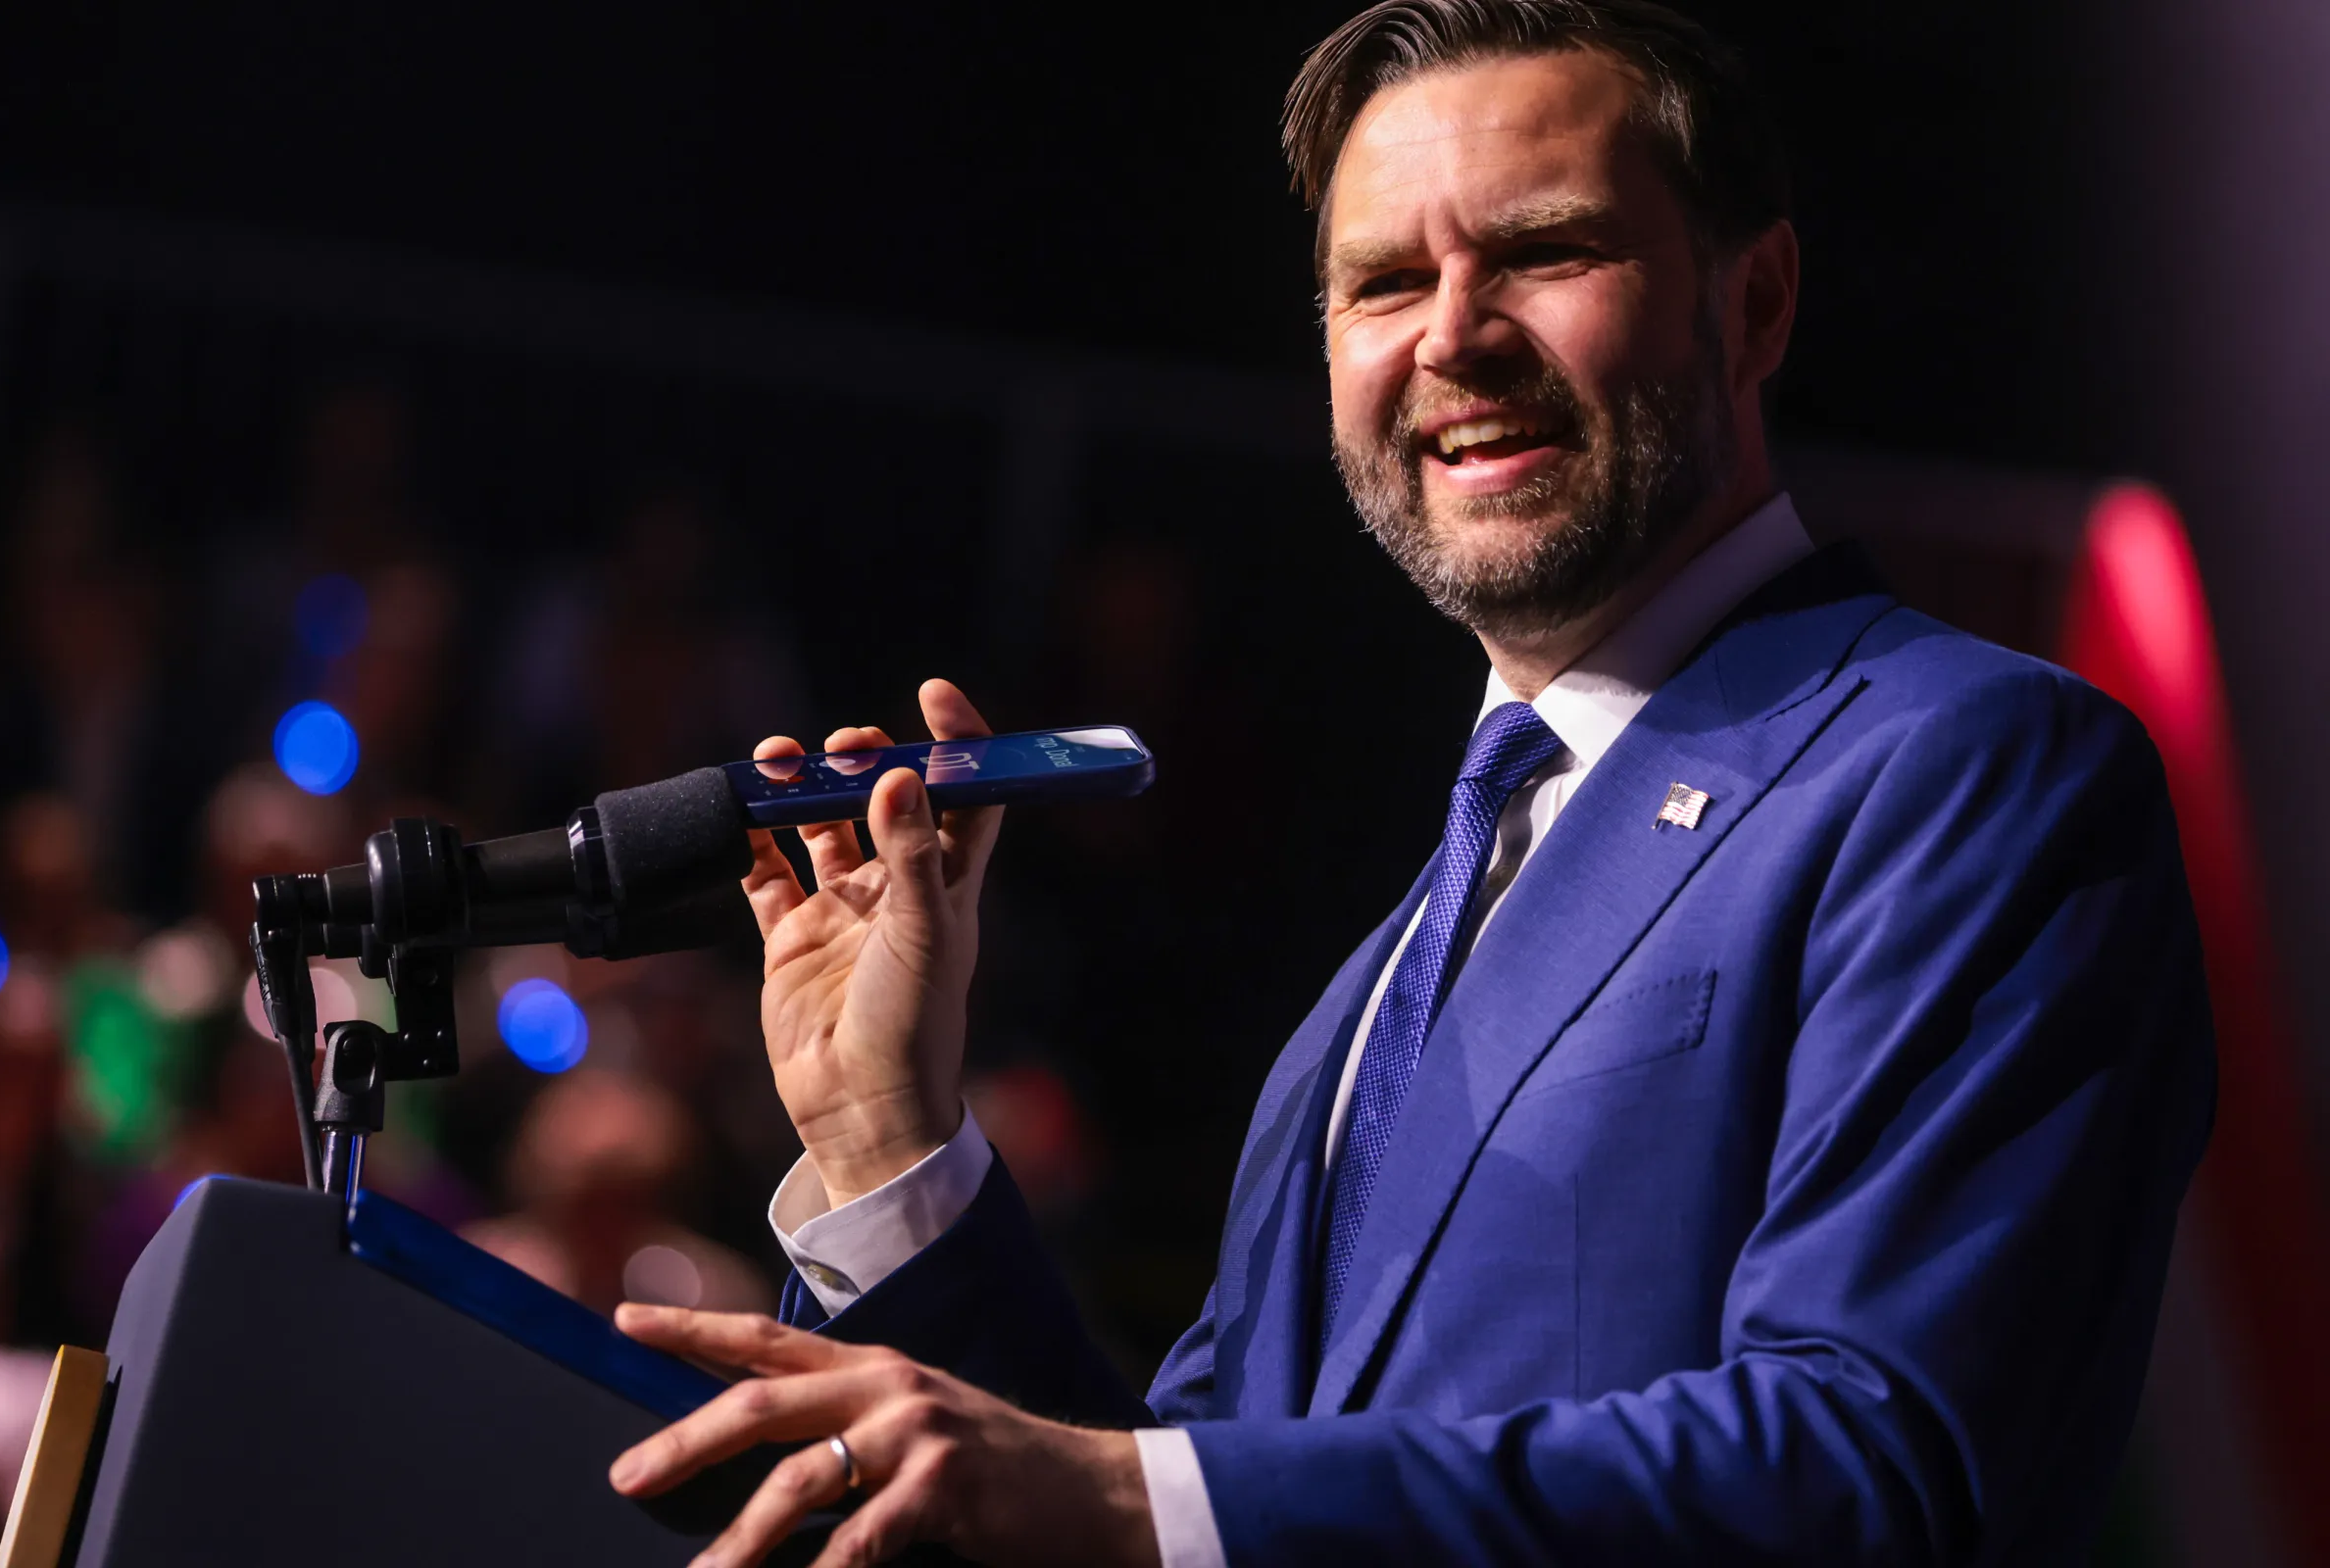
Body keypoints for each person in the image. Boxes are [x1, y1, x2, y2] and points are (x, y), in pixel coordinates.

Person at [605, 3, 2215, 1563]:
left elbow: (1883, 1464)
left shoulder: (1967, 768)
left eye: (1544, 251)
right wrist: (893, 1145)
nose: (1452, 334)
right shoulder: (1366, 1004)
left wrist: (1124, 1507)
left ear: (1759, 301)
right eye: (1383, 282)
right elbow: (1168, 1511)